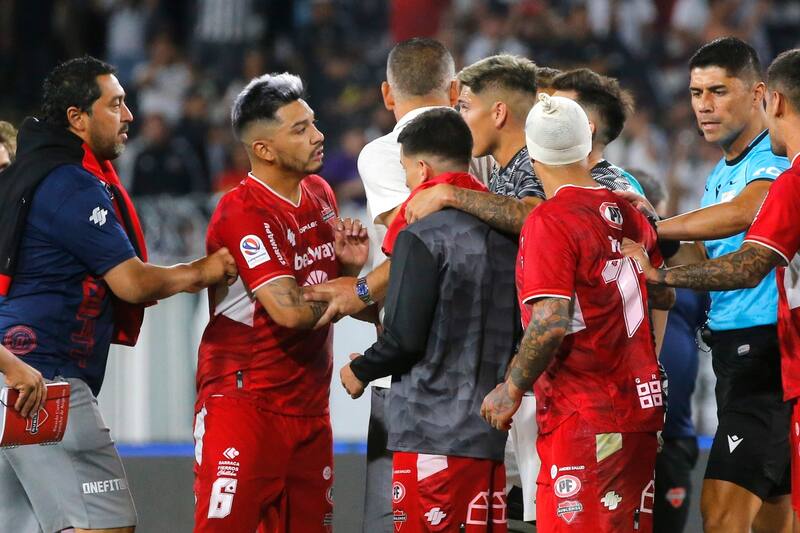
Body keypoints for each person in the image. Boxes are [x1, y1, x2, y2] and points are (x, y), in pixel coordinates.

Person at [0, 56, 237, 533]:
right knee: (108, 525)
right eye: (116, 104)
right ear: (77, 118)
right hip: (42, 383)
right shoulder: (68, 182)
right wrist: (202, 270)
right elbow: (131, 282)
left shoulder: (31, 175)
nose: (129, 116)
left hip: (14, 376)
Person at [622, 47, 800, 531]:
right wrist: (652, 225)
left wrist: (662, 230)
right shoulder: (720, 174)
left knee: (720, 514)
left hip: (766, 349)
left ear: (761, 95)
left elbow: (751, 212)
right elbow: (705, 257)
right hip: (737, 356)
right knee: (774, 517)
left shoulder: (775, 157)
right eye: (697, 93)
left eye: (719, 91)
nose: (704, 105)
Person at [481, 94, 673, 533]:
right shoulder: (629, 209)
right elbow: (664, 297)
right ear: (588, 144)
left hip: (586, 415)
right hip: (638, 412)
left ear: (530, 153)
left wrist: (510, 389)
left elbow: (550, 321)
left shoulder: (550, 219)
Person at [193, 72, 369, 532]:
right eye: (300, 129)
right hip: (245, 398)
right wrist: (366, 286)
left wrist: (350, 273)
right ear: (264, 149)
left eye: (312, 123)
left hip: (309, 403)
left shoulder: (320, 193)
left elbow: (328, 292)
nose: (318, 135)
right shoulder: (242, 209)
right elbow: (290, 311)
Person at [304, 37, 459, 533]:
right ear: (454, 89)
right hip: (483, 365)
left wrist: (363, 289)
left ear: (388, 96)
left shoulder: (384, 153)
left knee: (395, 519)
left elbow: (424, 250)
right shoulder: (488, 151)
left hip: (411, 374)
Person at [340, 107, 517, 533]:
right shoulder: (506, 232)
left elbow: (404, 339)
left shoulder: (420, 235)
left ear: (421, 168)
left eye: (404, 169)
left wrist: (360, 369)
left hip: (431, 432)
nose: (404, 181)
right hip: (487, 437)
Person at [634, 169, 709, 533]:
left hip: (675, 437)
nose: (661, 238)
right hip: (626, 432)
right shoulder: (607, 278)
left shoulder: (684, 282)